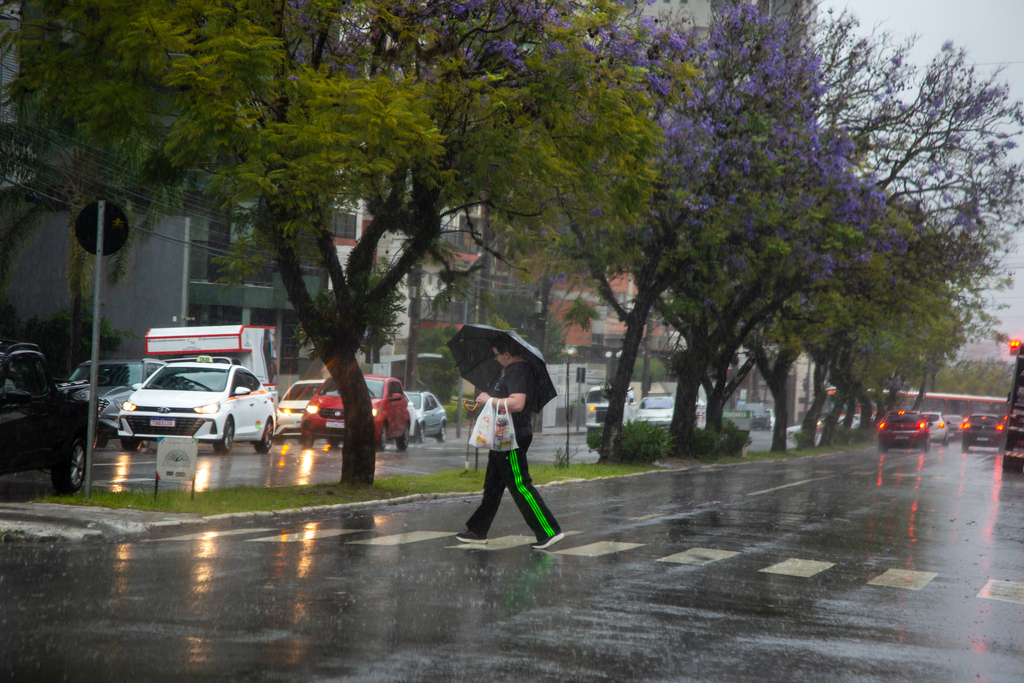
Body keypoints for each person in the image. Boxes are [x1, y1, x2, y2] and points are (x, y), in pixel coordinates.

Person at [456, 336, 564, 550]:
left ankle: (549, 531)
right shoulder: (511, 371)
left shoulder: (518, 371)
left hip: (511, 437)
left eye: (496, 354)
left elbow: (517, 403)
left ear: (507, 354)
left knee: (520, 484)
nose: (495, 359)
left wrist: (489, 400)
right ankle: (478, 530)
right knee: (493, 486)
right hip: (503, 436)